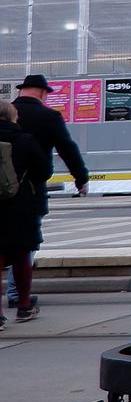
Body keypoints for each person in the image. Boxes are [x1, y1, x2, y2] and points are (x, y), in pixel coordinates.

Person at [12, 74, 87, 322]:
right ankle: (19, 295)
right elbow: (67, 148)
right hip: (30, 191)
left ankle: (13, 296)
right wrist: (80, 177)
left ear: (22, 90)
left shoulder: (6, 113)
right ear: (43, 93)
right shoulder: (48, 117)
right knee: (25, 242)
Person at [0, 101, 50, 327]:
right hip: (21, 207)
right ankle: (23, 306)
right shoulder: (26, 140)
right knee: (21, 255)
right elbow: (44, 171)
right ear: (12, 117)